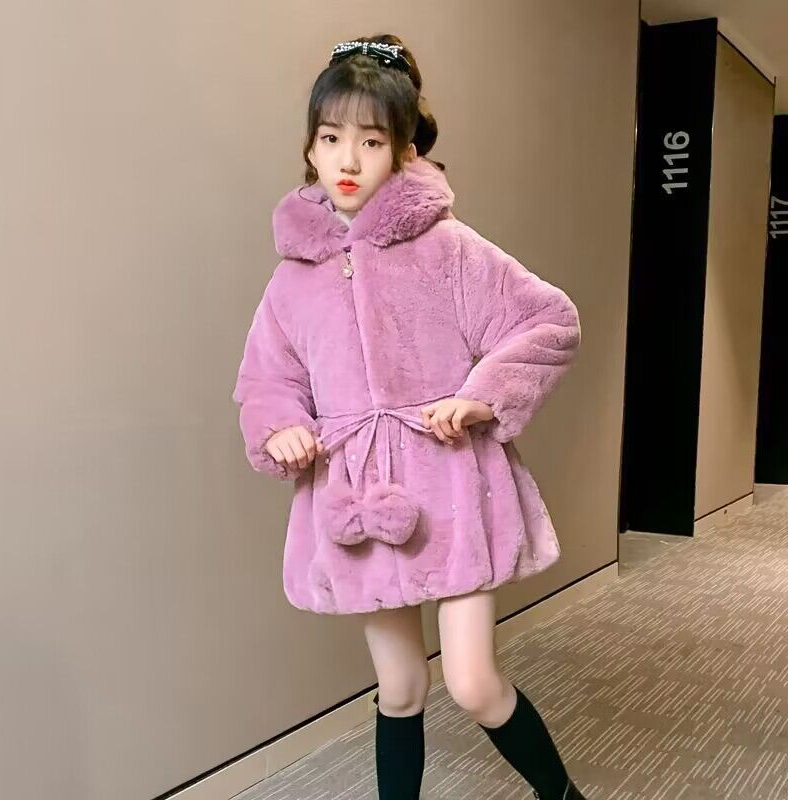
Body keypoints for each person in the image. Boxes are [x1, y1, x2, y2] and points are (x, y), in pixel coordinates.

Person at [232, 33, 585, 800]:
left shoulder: (448, 248)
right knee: (398, 690)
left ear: (403, 149)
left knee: (473, 682)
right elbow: (266, 380)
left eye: (370, 141)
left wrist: (483, 393)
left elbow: (548, 320)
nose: (348, 159)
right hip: (356, 499)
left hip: (451, 486)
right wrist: (280, 427)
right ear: (310, 148)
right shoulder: (291, 280)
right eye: (331, 138)